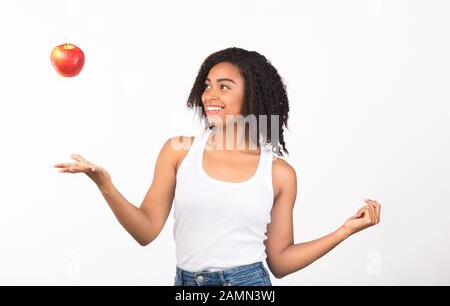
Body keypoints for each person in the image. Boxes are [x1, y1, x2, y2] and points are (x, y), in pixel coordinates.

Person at [53, 47, 381, 286]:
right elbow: (146, 230)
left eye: (224, 86)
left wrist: (344, 231)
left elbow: (280, 262)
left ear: (252, 95)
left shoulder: (278, 173)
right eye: (208, 84)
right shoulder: (178, 151)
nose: (211, 94)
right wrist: (105, 185)